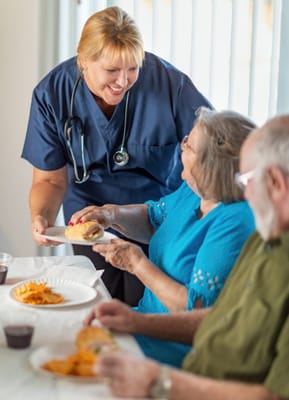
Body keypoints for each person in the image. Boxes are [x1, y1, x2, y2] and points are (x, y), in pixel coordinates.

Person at [83, 114, 289, 399]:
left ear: (276, 183)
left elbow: (272, 395)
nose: (245, 193)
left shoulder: (241, 221)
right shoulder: (268, 241)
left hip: (186, 375)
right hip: (183, 368)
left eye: (246, 178)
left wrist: (161, 383)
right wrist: (135, 321)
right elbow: (220, 319)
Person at [21, 6, 212, 306]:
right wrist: (41, 218)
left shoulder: (170, 85)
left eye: (133, 68)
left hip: (156, 220)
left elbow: (214, 147)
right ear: (84, 62)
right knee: (99, 305)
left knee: (148, 308)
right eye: (112, 70)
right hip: (90, 221)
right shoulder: (52, 94)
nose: (123, 81)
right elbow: (49, 178)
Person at [70, 107, 256, 367]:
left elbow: (197, 313)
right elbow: (153, 218)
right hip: (143, 324)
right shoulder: (194, 191)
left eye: (189, 145)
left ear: (210, 164)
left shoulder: (235, 220)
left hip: (175, 350)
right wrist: (111, 214)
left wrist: (137, 264)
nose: (182, 145)